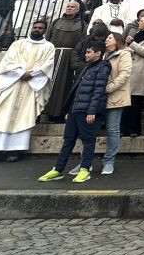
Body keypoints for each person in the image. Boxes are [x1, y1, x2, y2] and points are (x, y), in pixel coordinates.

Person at [0, 18, 56, 163]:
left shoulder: (49, 47)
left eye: (40, 28)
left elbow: (47, 65)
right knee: (3, 114)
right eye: (35, 27)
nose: (37, 30)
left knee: (24, 116)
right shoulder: (18, 44)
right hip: (13, 83)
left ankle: (15, 149)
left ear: (45, 30)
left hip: (31, 85)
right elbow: (8, 61)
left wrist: (31, 74)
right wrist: (21, 73)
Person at [38, 39, 111, 184]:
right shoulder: (86, 67)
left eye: (89, 52)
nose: (86, 54)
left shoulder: (103, 67)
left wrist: (92, 111)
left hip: (88, 111)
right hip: (75, 109)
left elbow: (99, 91)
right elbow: (76, 89)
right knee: (68, 140)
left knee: (88, 140)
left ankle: (85, 169)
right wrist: (69, 108)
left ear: (98, 53)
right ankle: (58, 169)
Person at [43, 1, 86, 121]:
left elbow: (82, 42)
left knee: (65, 85)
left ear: (77, 10)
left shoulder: (82, 24)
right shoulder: (56, 22)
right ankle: (43, 111)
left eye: (72, 7)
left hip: (69, 57)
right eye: (68, 6)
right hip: (53, 55)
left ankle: (58, 113)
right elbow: (47, 38)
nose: (69, 8)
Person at [96, 26, 132, 175]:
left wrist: (108, 88)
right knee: (90, 131)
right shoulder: (102, 55)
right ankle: (85, 162)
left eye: (110, 38)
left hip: (115, 96)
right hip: (98, 97)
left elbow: (124, 74)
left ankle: (109, 161)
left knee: (112, 129)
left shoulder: (124, 54)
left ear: (116, 41)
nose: (106, 39)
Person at [121, 13, 144, 138]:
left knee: (136, 102)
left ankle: (134, 129)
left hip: (140, 71)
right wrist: (128, 45)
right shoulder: (136, 34)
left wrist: (131, 44)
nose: (139, 22)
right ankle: (123, 128)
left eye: (142, 21)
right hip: (130, 70)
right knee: (126, 101)